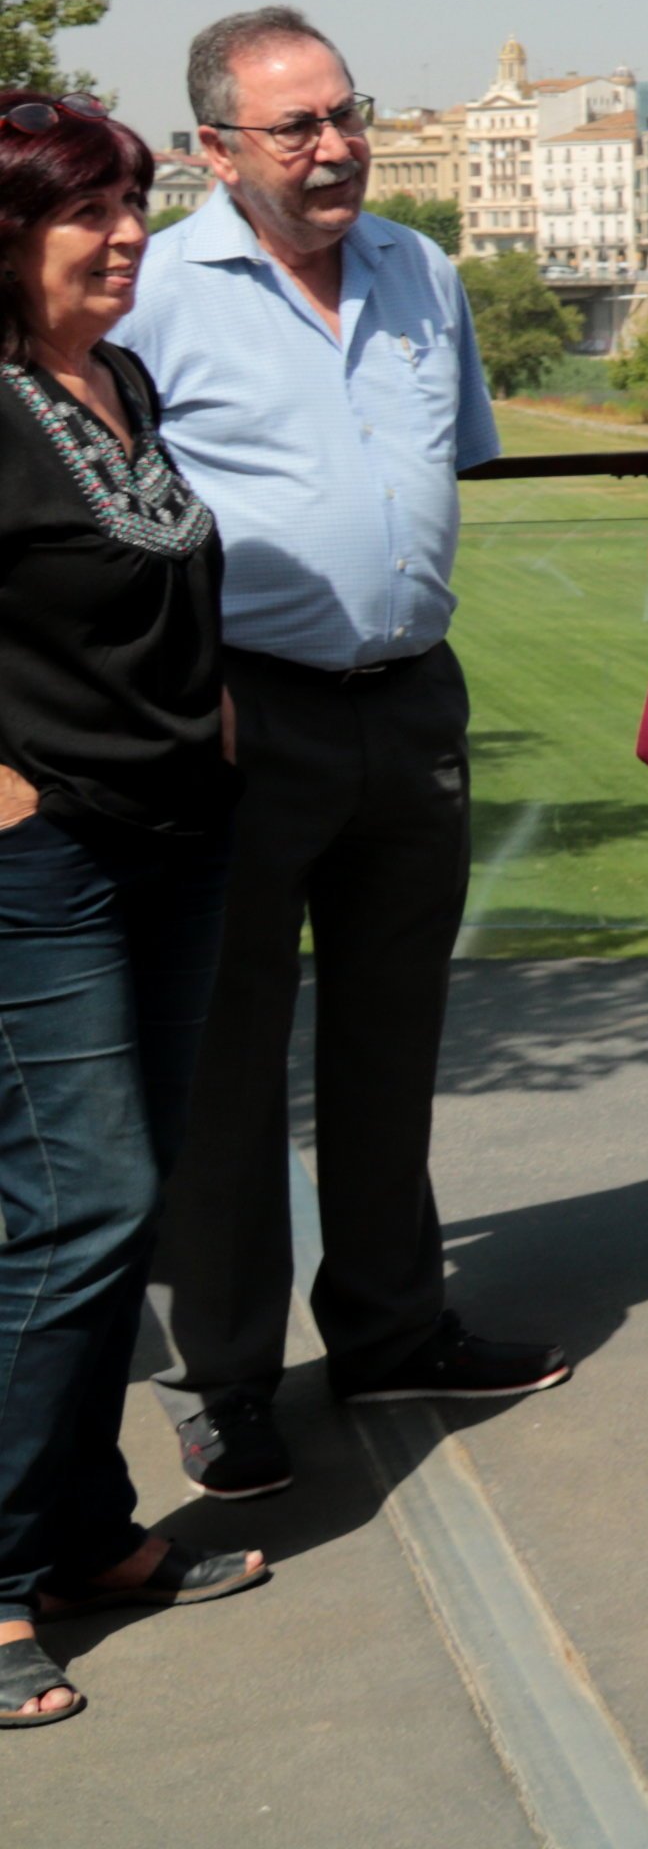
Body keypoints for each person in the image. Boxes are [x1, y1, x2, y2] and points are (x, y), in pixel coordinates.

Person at [117, 10, 565, 1508]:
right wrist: (191, 694)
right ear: (215, 150)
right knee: (226, 1069)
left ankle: (391, 1329)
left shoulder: (419, 271)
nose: (335, 147)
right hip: (239, 719)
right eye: (295, 127)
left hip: (406, 704)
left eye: (346, 114)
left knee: (390, 1044)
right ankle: (223, 1385)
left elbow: (440, 469)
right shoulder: (156, 292)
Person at [0, 92, 264, 1731]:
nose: (122, 236)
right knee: (76, 1198)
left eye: (133, 204)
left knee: (131, 1191)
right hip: (47, 862)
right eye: (84, 210)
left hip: (175, 839)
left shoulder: (120, 379)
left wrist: (217, 722)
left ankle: (85, 1530)